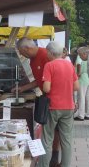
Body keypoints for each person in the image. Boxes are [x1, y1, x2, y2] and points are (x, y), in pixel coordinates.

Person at [15, 37, 60, 166]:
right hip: (46, 97)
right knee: (47, 129)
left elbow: (54, 77)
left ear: (26, 48)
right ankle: (47, 157)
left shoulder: (46, 55)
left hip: (53, 98)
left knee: (54, 130)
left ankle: (54, 157)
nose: (20, 55)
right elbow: (38, 80)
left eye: (20, 51)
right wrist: (23, 88)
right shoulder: (32, 61)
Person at [37, 41, 79, 167]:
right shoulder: (69, 65)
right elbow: (76, 86)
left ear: (50, 52)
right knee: (66, 140)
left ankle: (43, 165)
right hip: (68, 107)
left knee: (47, 139)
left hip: (53, 107)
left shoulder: (49, 65)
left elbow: (46, 88)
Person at [73, 53, 89, 121]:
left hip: (82, 79)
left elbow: (78, 64)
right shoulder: (88, 56)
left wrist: (78, 73)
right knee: (88, 98)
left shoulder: (79, 56)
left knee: (81, 97)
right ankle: (88, 114)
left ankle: (81, 115)